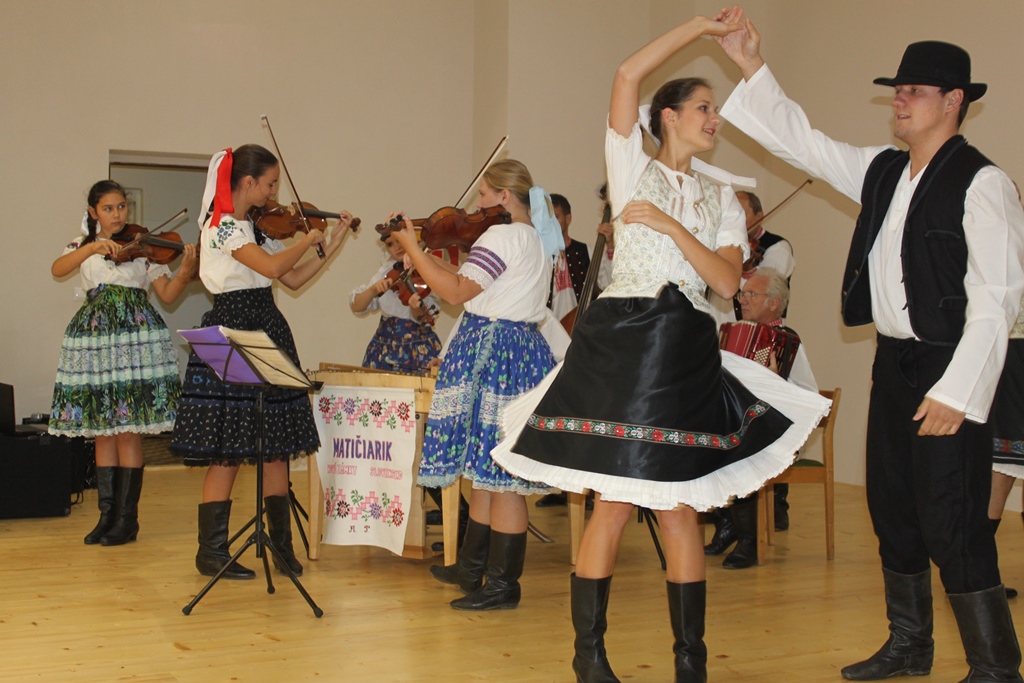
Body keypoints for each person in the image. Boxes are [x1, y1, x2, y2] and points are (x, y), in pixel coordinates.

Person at [491, 14, 829, 682]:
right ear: (668, 117)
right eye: (704, 107)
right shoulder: (629, 166)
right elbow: (626, 74)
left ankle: (689, 660)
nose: (715, 118)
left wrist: (673, 226)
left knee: (679, 507)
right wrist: (698, 27)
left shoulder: (722, 197)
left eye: (715, 110)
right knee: (614, 503)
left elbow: (726, 281)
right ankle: (589, 655)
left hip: (684, 348)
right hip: (626, 344)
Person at [716, 11, 1024, 680]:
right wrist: (750, 64)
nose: (900, 101)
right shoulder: (882, 172)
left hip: (948, 369)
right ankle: (910, 644)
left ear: (954, 101)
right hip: (894, 365)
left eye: (914, 91)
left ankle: (997, 666)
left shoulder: (984, 183)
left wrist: (957, 392)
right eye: (898, 90)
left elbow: (997, 300)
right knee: (891, 506)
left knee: (953, 518)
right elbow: (803, 143)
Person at [170, 145, 352, 580]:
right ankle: (211, 551)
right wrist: (306, 238)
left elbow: (292, 277)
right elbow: (270, 268)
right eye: (270, 184)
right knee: (228, 450)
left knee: (276, 449)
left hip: (269, 327)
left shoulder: (256, 228)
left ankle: (281, 546)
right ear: (247, 182)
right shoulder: (221, 228)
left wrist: (331, 243)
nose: (274, 194)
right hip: (234, 328)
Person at [388, 159, 558, 612]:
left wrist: (415, 247)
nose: (476, 204)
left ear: (504, 196)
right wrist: (420, 254)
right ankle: (472, 566)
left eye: (483, 194)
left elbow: (458, 292)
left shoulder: (502, 236)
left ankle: (503, 585)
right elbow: (471, 286)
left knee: (501, 479)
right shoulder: (533, 239)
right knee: (486, 471)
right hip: (515, 350)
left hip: (496, 353)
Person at [49, 180, 198, 547]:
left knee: (128, 430)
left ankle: (127, 520)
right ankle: (106, 516)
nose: (117, 215)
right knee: (103, 430)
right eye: (108, 209)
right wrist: (93, 247)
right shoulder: (81, 247)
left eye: (121, 207)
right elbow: (58, 268)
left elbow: (167, 294)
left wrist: (185, 271)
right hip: (96, 342)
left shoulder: (143, 249)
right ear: (93, 212)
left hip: (136, 340)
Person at [705, 268, 818, 568]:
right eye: (743, 294)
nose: (742, 300)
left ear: (774, 302)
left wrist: (776, 382)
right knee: (704, 444)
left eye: (751, 294)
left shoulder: (787, 341)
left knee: (743, 451)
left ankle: (749, 541)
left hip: (773, 429)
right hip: (741, 423)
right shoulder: (733, 333)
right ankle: (727, 524)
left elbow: (808, 392)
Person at [349, 231, 442, 374]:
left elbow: (421, 318)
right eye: (390, 244)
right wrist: (373, 290)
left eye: (399, 241)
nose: (396, 247)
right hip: (383, 348)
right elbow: (357, 307)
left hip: (416, 349)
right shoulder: (385, 272)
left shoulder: (425, 270)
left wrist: (415, 308)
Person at [707, 189, 796, 326]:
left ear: (759, 216)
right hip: (715, 321)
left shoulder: (778, 247)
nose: (734, 219)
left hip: (756, 329)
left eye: (741, 213)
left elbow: (763, 290)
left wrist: (743, 267)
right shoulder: (721, 244)